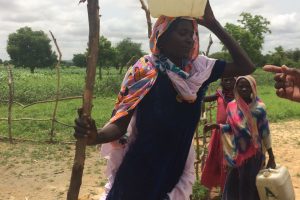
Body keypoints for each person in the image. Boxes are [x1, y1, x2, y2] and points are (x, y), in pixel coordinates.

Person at [74, 1, 255, 199]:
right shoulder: (145, 70)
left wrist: (212, 23)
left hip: (173, 176)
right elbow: (120, 125)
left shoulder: (199, 71)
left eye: (192, 33)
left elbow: (246, 66)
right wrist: (96, 136)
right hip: (138, 178)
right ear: (162, 36)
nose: (190, 39)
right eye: (182, 33)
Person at [204, 75, 276, 200]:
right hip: (236, 153)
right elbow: (230, 128)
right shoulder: (231, 106)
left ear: (253, 88)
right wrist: (217, 126)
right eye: (241, 86)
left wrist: (271, 156)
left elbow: (265, 132)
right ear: (236, 88)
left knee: (248, 186)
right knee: (232, 184)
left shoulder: (259, 108)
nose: (244, 89)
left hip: (254, 154)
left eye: (247, 86)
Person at [201, 77, 236, 193]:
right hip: (218, 133)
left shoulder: (238, 95)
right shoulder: (219, 95)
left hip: (233, 133)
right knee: (218, 159)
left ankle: (230, 187)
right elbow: (204, 99)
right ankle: (223, 187)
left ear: (235, 81)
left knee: (230, 159)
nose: (228, 82)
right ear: (222, 82)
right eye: (225, 80)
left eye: (231, 80)